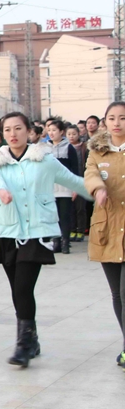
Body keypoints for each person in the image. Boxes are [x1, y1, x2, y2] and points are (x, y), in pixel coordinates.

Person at [0, 112, 92, 367]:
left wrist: (100, 190)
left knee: (23, 287)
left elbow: (73, 181)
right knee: (17, 289)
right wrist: (1, 191)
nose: (13, 134)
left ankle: (23, 344)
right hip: (8, 231)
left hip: (36, 232)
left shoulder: (44, 159)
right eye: (8, 129)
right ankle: (31, 339)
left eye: (18, 128)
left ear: (29, 131)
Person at [84, 102, 125, 369]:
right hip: (107, 228)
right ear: (105, 122)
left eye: (122, 118)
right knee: (116, 294)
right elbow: (90, 174)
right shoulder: (97, 151)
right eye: (112, 118)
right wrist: (98, 188)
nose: (117, 123)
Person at [47, 119, 80, 254]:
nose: (51, 133)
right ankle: (56, 242)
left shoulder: (69, 147)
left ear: (61, 132)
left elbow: (75, 168)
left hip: (65, 186)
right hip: (49, 186)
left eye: (54, 130)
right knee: (53, 216)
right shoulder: (45, 148)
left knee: (64, 215)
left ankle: (65, 243)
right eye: (49, 130)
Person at [67, 124, 87, 243]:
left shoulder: (84, 147)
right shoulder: (66, 148)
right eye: (69, 134)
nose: (71, 136)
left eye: (74, 134)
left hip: (82, 181)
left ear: (79, 134)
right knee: (71, 208)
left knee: (80, 208)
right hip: (69, 182)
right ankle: (72, 229)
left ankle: (80, 230)